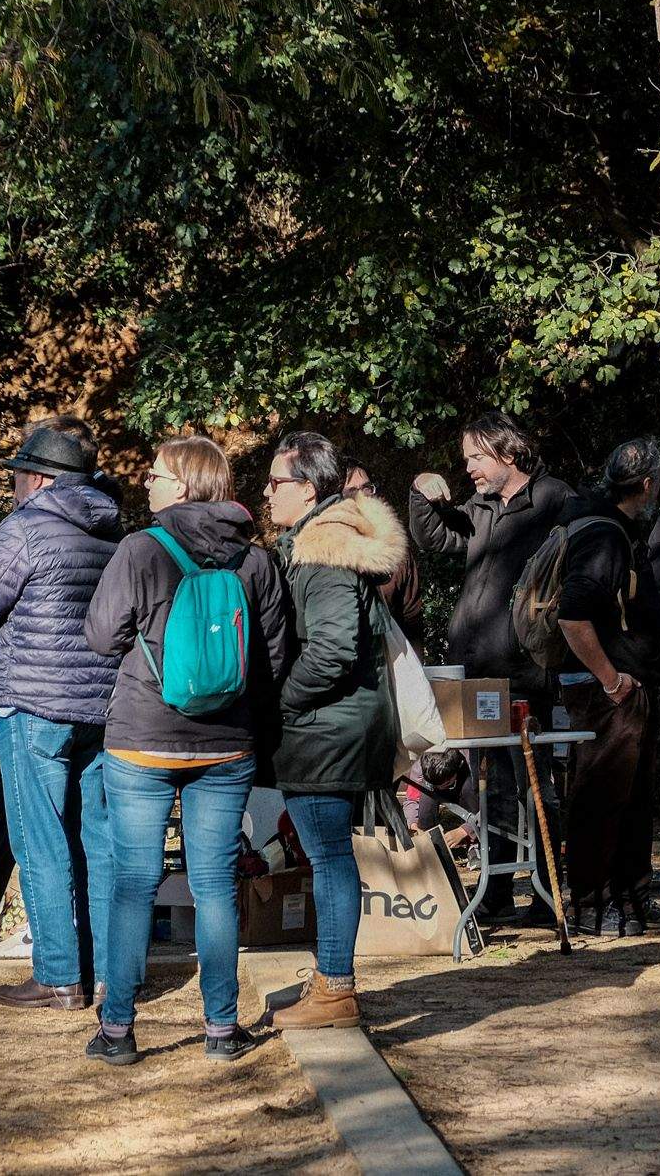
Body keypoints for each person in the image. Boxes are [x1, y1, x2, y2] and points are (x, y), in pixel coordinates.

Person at [82, 436, 289, 1065]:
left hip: (142, 738)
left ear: (183, 484)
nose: (145, 483)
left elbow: (101, 637)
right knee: (215, 885)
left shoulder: (141, 549)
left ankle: (118, 1029)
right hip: (226, 745)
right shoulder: (256, 560)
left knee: (133, 882)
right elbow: (274, 658)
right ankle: (221, 1028)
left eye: (156, 475)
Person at [0, 417, 121, 1009]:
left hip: (33, 701)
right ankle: (106, 972)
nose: (12, 485)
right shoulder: (111, 528)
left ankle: (59, 974)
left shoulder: (27, 527)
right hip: (98, 703)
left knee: (40, 838)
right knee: (96, 840)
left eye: (18, 474)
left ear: (38, 479)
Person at [265, 430, 410, 1030]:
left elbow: (332, 650)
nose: (267, 493)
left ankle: (336, 991)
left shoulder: (324, 551)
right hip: (336, 726)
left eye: (276, 482)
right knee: (329, 857)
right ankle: (330, 981)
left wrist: (282, 705)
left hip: (326, 731)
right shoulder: (325, 541)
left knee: (328, 859)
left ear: (309, 489)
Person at [408, 412, 571, 920]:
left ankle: (546, 894)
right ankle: (496, 891)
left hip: (524, 671)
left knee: (534, 783)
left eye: (477, 457)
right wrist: (419, 491)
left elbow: (580, 563)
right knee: (489, 785)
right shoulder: (479, 508)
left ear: (509, 451)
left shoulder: (554, 499)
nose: (469, 468)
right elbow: (434, 537)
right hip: (475, 671)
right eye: (466, 459)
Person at [556, 438, 660, 937]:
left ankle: (630, 901)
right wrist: (611, 680)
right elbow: (572, 616)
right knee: (601, 798)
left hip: (621, 689)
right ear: (647, 484)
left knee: (630, 801)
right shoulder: (603, 535)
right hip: (605, 692)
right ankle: (592, 905)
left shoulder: (611, 527)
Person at [343, 455, 425, 639]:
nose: (363, 496)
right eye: (351, 492)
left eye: (367, 488)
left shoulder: (395, 552)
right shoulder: (322, 555)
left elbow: (412, 621)